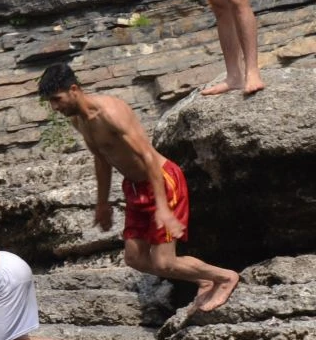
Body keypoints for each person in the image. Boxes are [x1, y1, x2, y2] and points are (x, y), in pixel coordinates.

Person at [39, 63, 239, 311]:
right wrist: (102, 204)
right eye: (51, 102)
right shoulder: (78, 121)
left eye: (57, 99)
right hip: (134, 187)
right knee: (134, 258)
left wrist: (163, 209)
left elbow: (147, 157)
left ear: (74, 89)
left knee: (164, 262)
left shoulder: (111, 113)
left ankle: (225, 276)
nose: (55, 107)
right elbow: (101, 159)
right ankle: (202, 279)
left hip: (162, 181)